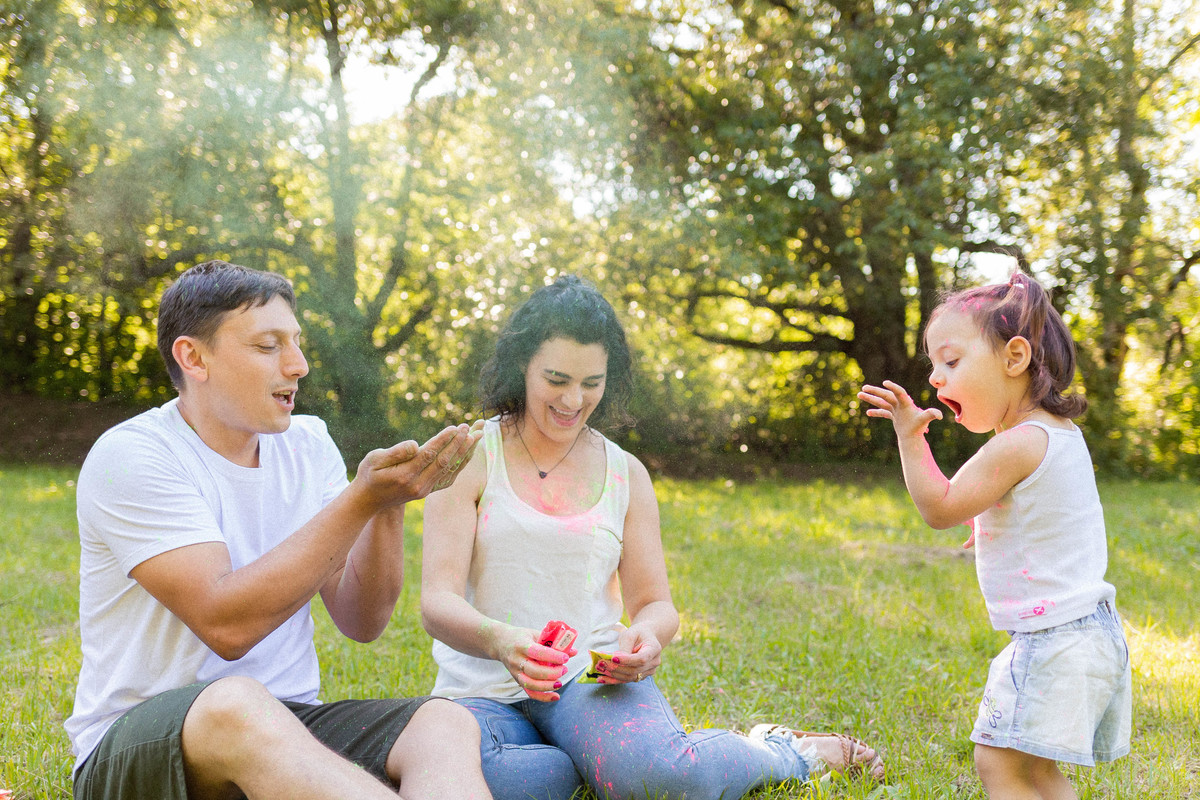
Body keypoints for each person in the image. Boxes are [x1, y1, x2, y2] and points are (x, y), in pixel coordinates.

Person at [420, 275, 885, 800]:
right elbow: (437, 602)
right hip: (481, 696)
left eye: (591, 382)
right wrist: (504, 643)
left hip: (587, 681)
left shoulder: (625, 473)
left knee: (666, 780)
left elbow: (655, 603)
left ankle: (781, 751)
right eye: (557, 378)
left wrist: (647, 637)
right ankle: (602, 763)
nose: (574, 399)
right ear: (521, 365)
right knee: (482, 781)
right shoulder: (469, 455)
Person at [65, 260, 493, 800]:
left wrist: (385, 507)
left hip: (289, 724)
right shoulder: (133, 455)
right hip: (141, 746)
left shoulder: (307, 443)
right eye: (269, 346)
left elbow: (362, 619)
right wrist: (359, 498)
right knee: (234, 702)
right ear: (193, 357)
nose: (299, 365)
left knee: (443, 724)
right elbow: (227, 626)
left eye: (296, 343)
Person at [857, 272, 1131, 799]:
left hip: (1053, 638)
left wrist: (911, 439)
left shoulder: (1016, 444)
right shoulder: (1059, 436)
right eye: (933, 366)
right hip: (1092, 632)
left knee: (998, 763)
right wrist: (992, 526)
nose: (936, 379)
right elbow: (1051, 517)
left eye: (952, 362)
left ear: (1015, 357)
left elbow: (939, 508)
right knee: (1037, 772)